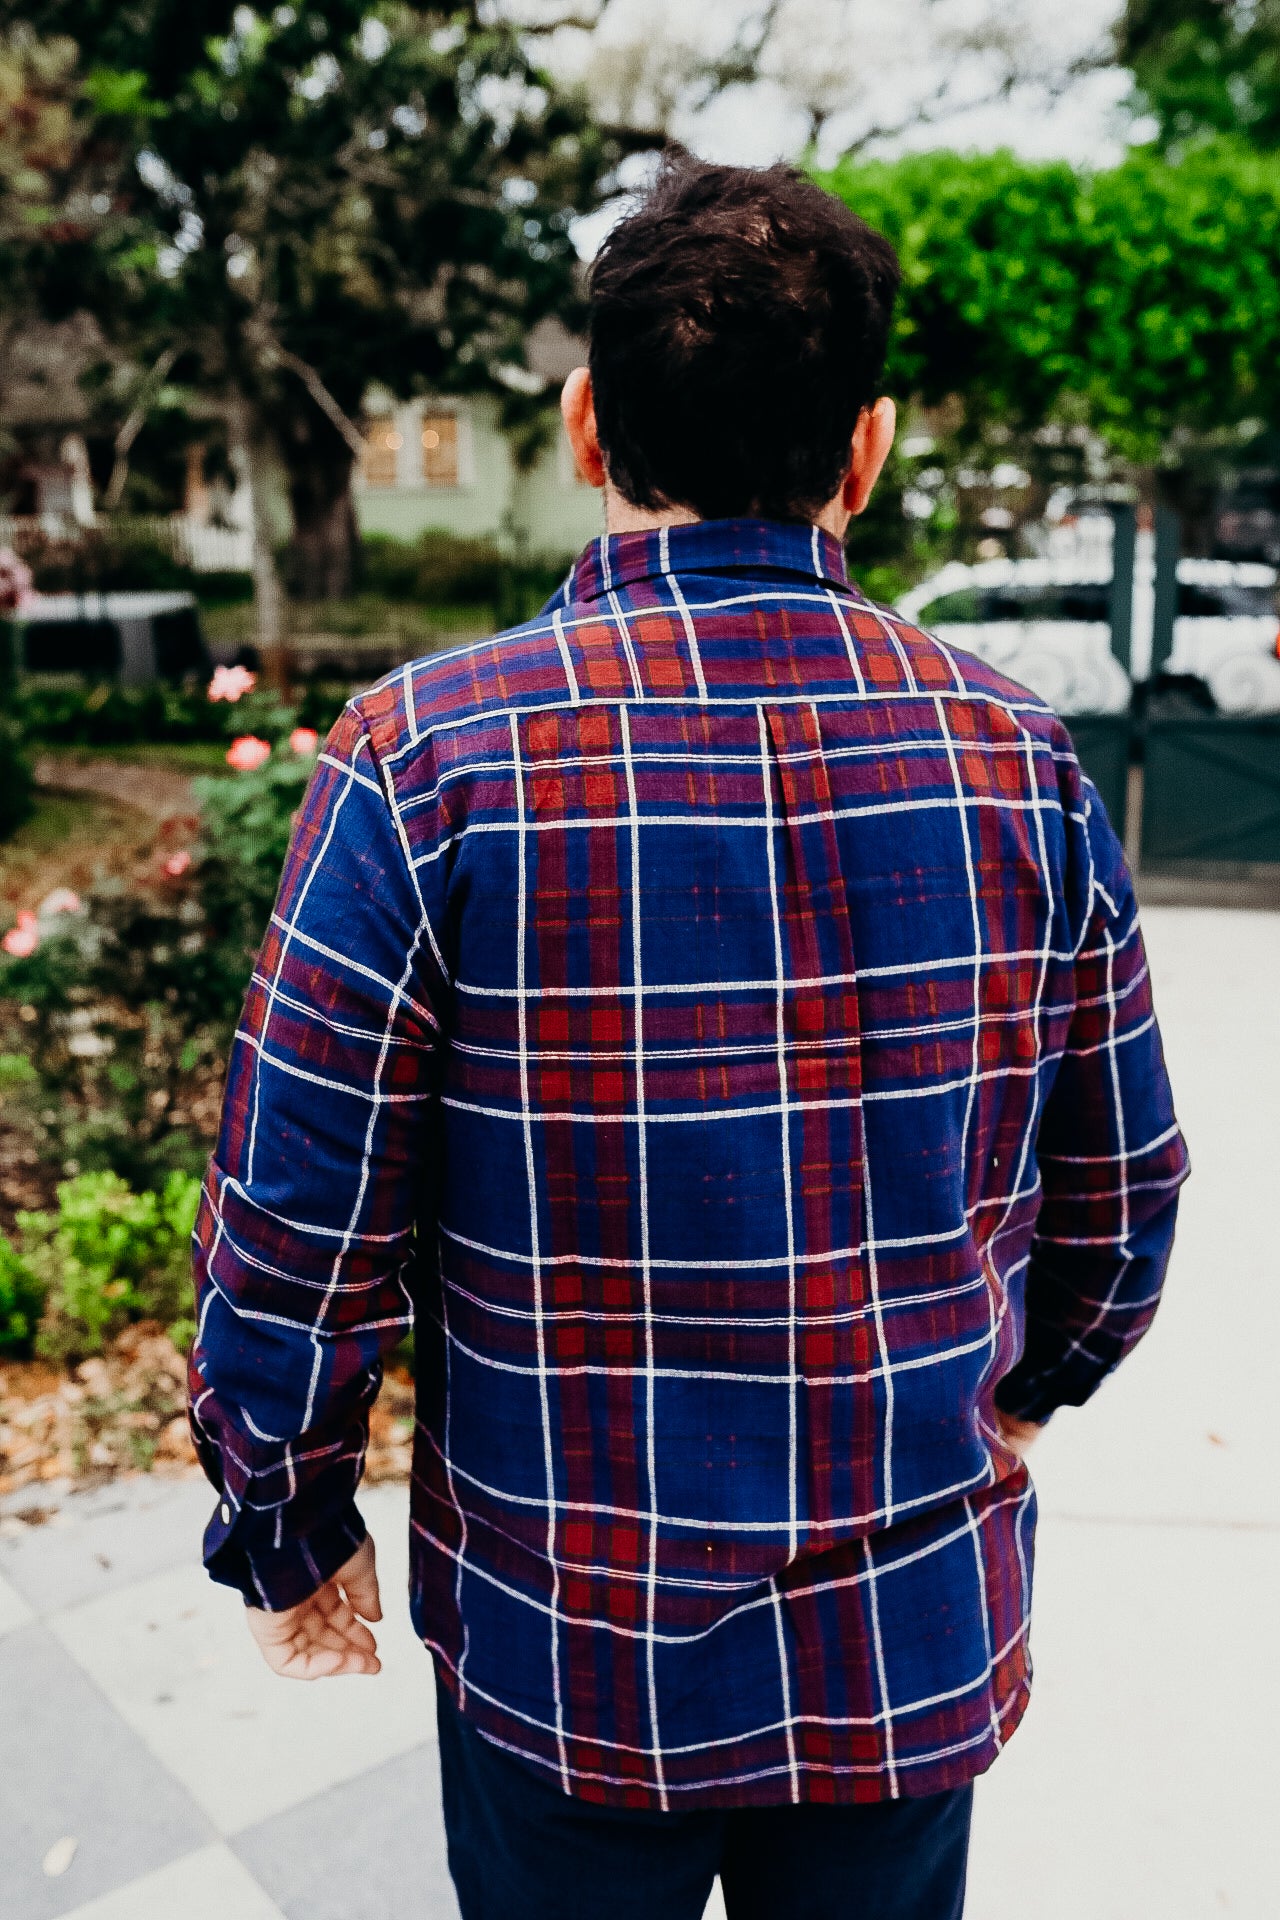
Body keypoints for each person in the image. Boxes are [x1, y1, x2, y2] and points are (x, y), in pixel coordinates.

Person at [188, 155, 1190, 1919]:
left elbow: (297, 1225)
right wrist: (1037, 1384)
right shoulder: (1020, 759)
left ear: (586, 425)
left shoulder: (427, 763)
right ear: (865, 449)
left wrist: (288, 1517)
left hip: (572, 1660)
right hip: (905, 1642)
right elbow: (1124, 1190)